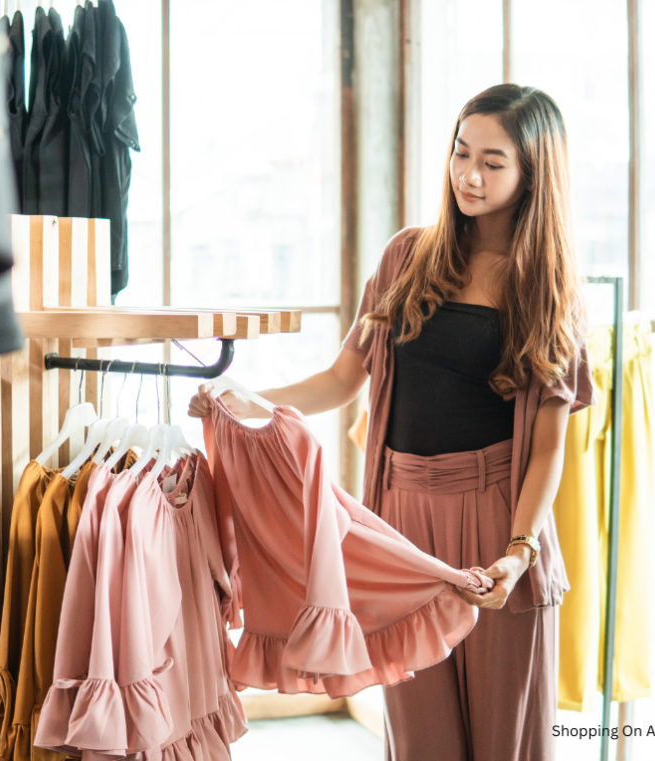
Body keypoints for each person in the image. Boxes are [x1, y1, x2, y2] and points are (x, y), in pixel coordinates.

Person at [189, 83, 593, 760]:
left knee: (507, 741)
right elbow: (342, 379)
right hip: (398, 521)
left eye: (493, 162)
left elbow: (550, 443)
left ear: (533, 173)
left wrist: (520, 550)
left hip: (498, 516)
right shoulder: (407, 258)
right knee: (420, 735)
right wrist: (246, 400)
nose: (469, 174)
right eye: (461, 153)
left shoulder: (547, 285)